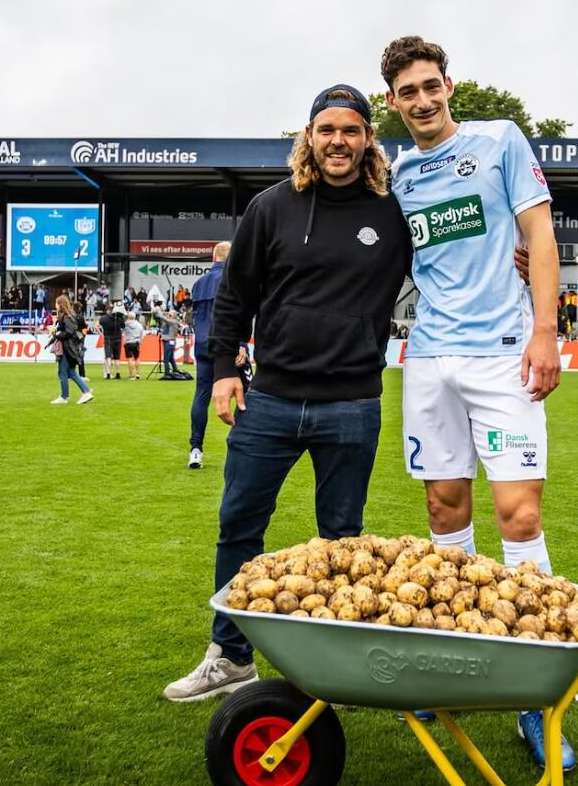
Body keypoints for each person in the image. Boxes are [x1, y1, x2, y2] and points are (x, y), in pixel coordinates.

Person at [163, 83, 413, 702]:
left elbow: (452, 263)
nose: (338, 141)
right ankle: (230, 656)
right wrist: (224, 369)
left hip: (353, 404)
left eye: (351, 130)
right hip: (270, 399)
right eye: (326, 129)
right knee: (239, 525)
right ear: (309, 137)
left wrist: (515, 259)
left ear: (366, 140)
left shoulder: (391, 212)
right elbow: (234, 296)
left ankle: (331, 663)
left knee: (343, 539)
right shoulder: (270, 208)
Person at [380, 36, 570, 771]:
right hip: (427, 359)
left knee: (518, 515)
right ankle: (451, 658)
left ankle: (536, 689)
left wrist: (545, 332)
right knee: (442, 512)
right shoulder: (396, 177)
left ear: (449, 86)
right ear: (391, 102)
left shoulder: (498, 141)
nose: (422, 100)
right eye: (407, 92)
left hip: (501, 354)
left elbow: (539, 233)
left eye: (431, 86)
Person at [188, 241, 235, 469]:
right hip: (226, 345)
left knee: (201, 395)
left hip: (202, 345)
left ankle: (195, 449)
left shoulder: (198, 284)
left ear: (213, 256)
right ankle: (243, 447)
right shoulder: (232, 280)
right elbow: (235, 314)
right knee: (244, 393)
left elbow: (195, 317)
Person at [48, 295, 93, 405]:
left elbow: (69, 332)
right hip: (71, 348)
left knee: (62, 372)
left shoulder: (67, 317)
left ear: (60, 304)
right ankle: (85, 391)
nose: (55, 305)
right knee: (72, 372)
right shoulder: (69, 316)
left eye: (56, 303)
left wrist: (56, 334)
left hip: (67, 348)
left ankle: (64, 396)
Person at [99, 303, 125, 379]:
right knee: (117, 357)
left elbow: (100, 323)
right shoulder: (119, 318)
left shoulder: (104, 318)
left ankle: (108, 373)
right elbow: (123, 326)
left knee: (108, 356)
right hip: (118, 339)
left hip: (108, 339)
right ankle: (118, 373)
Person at [157, 307, 182, 379]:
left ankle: (167, 373)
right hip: (169, 341)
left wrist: (159, 310)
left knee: (166, 359)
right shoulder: (172, 321)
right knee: (171, 358)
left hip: (169, 341)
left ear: (173, 315)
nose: (168, 314)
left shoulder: (172, 321)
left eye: (170, 313)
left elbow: (163, 318)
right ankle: (175, 370)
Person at [123, 311, 145, 379]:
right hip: (136, 342)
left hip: (128, 342)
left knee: (130, 359)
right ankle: (138, 373)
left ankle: (131, 374)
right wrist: (140, 341)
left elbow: (123, 331)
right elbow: (142, 334)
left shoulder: (125, 324)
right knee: (137, 358)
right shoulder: (139, 325)